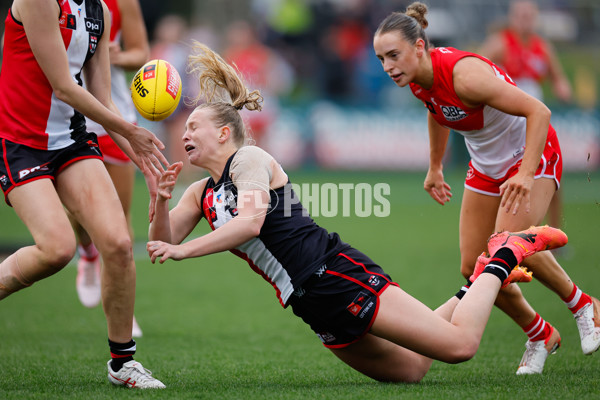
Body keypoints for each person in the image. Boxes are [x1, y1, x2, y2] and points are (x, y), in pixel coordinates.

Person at [146, 42, 568, 383]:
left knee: (460, 348)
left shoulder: (249, 159)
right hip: (307, 301)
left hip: (333, 273)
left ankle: (504, 256)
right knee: (412, 369)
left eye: (192, 127)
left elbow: (250, 222)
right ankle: (473, 289)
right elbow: (161, 242)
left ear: (223, 133)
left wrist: (188, 251)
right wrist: (161, 201)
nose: (183, 133)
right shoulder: (200, 191)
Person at [372, 2, 599, 375]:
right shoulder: (415, 79)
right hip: (487, 167)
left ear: (419, 48)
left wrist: (526, 174)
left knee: (507, 245)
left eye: (393, 55)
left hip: (529, 154)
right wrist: (435, 166)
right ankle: (539, 332)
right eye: (381, 58)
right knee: (472, 266)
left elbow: (539, 112)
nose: (387, 66)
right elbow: (437, 112)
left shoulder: (465, 77)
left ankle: (584, 304)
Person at [0, 0, 167, 388]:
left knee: (119, 244)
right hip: (20, 145)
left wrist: (145, 163)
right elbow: (63, 85)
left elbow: (103, 99)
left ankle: (122, 364)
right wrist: (132, 132)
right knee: (56, 249)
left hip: (71, 142)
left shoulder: (100, 12)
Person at [72, 0, 148, 338]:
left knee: (120, 221)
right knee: (79, 211)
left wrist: (114, 55)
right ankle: (87, 252)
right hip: (70, 116)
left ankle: (124, 315)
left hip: (114, 114)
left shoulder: (121, 3)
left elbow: (141, 53)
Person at [478, 0, 572, 243]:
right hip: (508, 122)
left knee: (550, 177)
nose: (525, 19)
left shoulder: (543, 47)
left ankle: (553, 234)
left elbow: (559, 79)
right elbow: (475, 67)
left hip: (537, 121)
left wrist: (562, 87)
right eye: (521, 15)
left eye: (529, 15)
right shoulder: (500, 42)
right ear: (512, 17)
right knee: (506, 175)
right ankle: (501, 233)